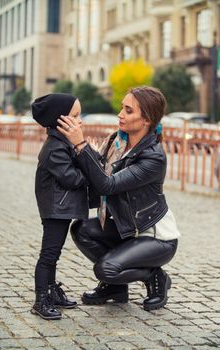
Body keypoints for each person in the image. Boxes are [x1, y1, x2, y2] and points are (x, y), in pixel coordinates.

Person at [57, 86, 180, 311]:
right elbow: (99, 170)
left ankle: (154, 276)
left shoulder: (153, 157)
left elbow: (108, 184)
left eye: (128, 110)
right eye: (122, 108)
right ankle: (116, 288)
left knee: (105, 269)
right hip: (128, 227)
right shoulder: (117, 142)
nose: (120, 115)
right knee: (82, 229)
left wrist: (80, 144)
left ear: (147, 120)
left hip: (155, 236)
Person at [31, 93, 89, 320]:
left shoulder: (62, 142)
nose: (80, 121)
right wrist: (87, 168)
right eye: (75, 116)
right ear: (60, 120)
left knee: (54, 254)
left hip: (60, 206)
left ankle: (52, 291)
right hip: (55, 208)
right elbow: (72, 179)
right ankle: (40, 299)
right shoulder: (55, 148)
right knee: (49, 254)